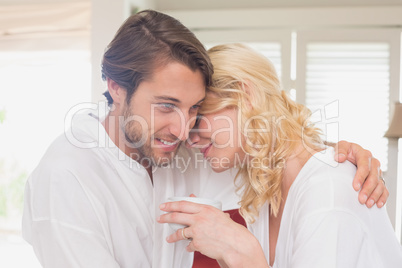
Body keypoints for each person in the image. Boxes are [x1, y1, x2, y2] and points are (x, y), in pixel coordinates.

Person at [22, 10, 387, 268]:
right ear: (116, 88)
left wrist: (338, 156)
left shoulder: (180, 148)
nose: (184, 131)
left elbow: (278, 151)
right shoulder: (65, 178)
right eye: (166, 106)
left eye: (196, 108)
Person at [158, 43, 402, 267]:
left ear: (245, 96)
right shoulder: (268, 190)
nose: (189, 140)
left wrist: (243, 251)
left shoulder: (328, 190)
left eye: (198, 118)